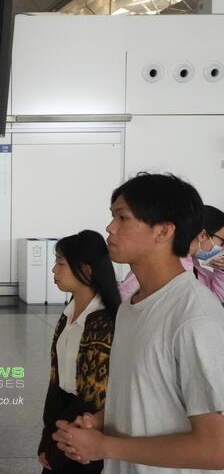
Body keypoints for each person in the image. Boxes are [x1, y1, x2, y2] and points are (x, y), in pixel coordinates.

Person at [53, 173, 224, 473]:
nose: (109, 227)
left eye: (122, 217)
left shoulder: (194, 317)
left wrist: (104, 447)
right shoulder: (131, 308)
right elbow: (145, 393)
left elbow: (216, 448)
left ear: (163, 231)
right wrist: (99, 421)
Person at [38, 230, 120, 474]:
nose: (54, 270)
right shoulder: (68, 315)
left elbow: (96, 396)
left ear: (86, 270)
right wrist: (47, 436)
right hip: (61, 418)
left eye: (61, 263)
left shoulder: (105, 322)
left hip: (85, 429)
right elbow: (56, 380)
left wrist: (58, 442)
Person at [188, 205, 224, 304]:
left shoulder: (199, 269)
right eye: (222, 242)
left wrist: (221, 271)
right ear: (202, 235)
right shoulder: (170, 266)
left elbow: (216, 302)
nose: (223, 249)